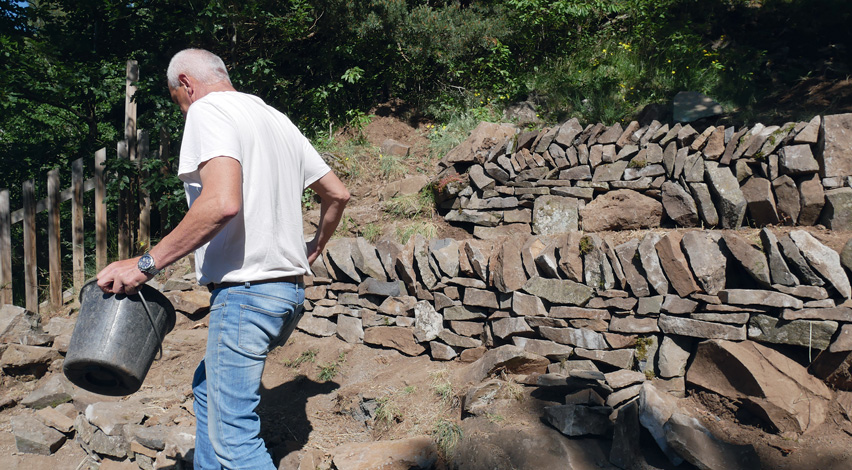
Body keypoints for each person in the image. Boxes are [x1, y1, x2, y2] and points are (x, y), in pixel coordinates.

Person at [96, 48, 350, 469]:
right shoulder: (275, 119)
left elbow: (220, 204)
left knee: (236, 441)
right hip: (286, 294)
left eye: (177, 99)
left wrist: (143, 265)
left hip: (247, 294)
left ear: (187, 85)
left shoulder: (207, 111)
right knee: (207, 388)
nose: (182, 109)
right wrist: (315, 245)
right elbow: (337, 194)